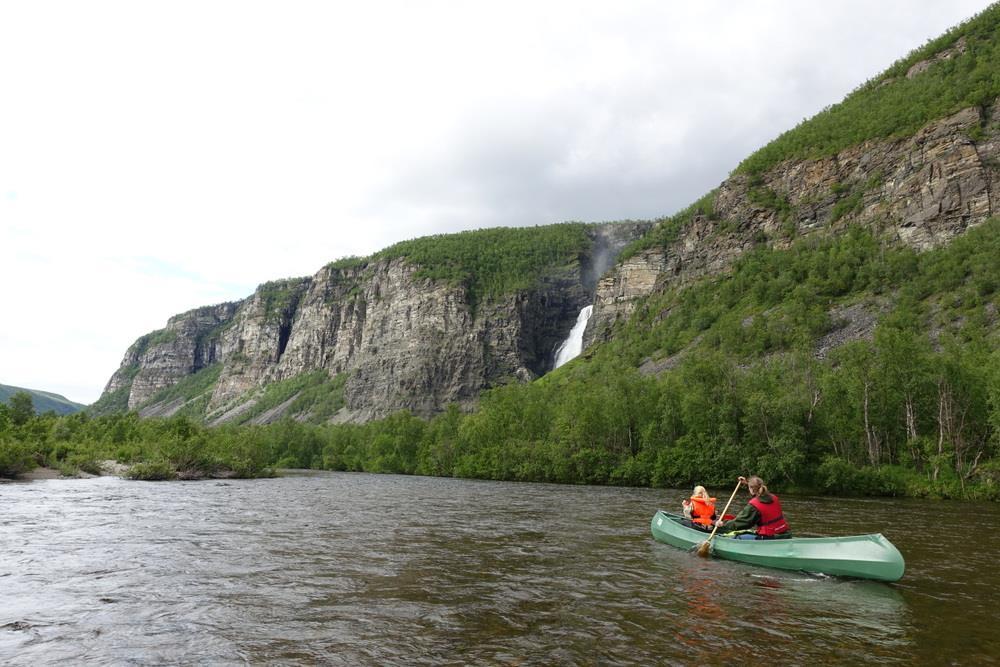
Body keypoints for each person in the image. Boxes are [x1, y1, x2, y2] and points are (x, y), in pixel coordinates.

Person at [713, 475, 790, 539]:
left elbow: (742, 523)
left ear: (751, 489)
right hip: (785, 533)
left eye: (749, 487)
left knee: (736, 536)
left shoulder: (754, 505)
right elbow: (756, 487)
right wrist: (746, 482)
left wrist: (723, 524)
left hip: (768, 537)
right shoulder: (774, 497)